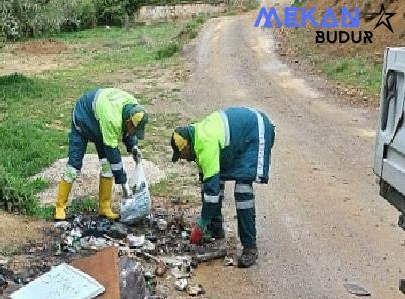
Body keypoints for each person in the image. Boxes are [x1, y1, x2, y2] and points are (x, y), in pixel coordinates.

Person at [170, 107, 275, 268]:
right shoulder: (196, 141)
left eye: (182, 155)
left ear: (185, 148)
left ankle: (250, 247)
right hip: (237, 140)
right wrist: (208, 224)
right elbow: (209, 186)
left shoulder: (205, 144)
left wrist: (201, 224)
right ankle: (216, 231)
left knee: (242, 189)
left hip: (256, 132)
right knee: (212, 185)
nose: (184, 159)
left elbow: (211, 193)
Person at [54, 88, 149, 221]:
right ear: (128, 121)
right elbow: (114, 156)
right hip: (83, 118)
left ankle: (104, 207)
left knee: (107, 167)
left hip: (100, 122)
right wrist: (124, 185)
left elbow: (128, 132)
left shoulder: (134, 107)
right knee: (73, 167)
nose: (134, 132)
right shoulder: (112, 120)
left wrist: (133, 146)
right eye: (134, 129)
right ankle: (59, 206)